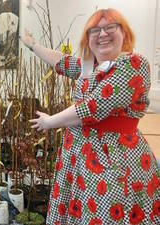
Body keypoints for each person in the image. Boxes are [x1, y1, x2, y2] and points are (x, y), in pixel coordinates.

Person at [22, 8, 160, 224]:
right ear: (88, 38)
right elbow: (62, 62)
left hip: (114, 160)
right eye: (94, 30)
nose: (102, 34)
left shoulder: (133, 64)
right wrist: (32, 45)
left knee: (109, 214)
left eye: (110, 27)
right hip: (79, 157)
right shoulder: (92, 66)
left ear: (124, 33)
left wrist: (50, 121)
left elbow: (93, 107)